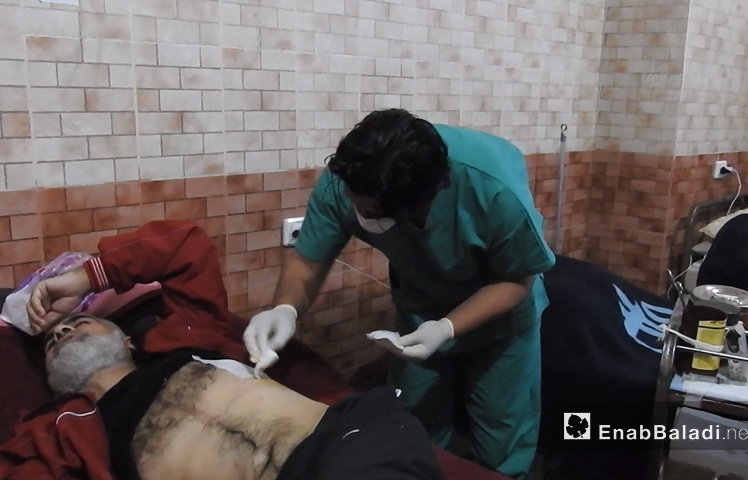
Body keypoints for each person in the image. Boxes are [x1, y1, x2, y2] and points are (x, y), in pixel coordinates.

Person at [244, 108, 556, 480]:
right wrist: (284, 309)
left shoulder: (493, 189)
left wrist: (447, 328)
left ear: (421, 206)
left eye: (369, 213)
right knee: (411, 429)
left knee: (501, 444)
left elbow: (518, 279)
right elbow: (309, 259)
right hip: (419, 310)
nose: (356, 212)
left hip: (501, 320)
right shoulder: (352, 176)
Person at [11, 220, 444, 480]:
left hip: (345, 444)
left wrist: (86, 279)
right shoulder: (64, 432)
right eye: (50, 342)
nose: (62, 332)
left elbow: (185, 246)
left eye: (79, 321)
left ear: (127, 339)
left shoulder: (184, 338)